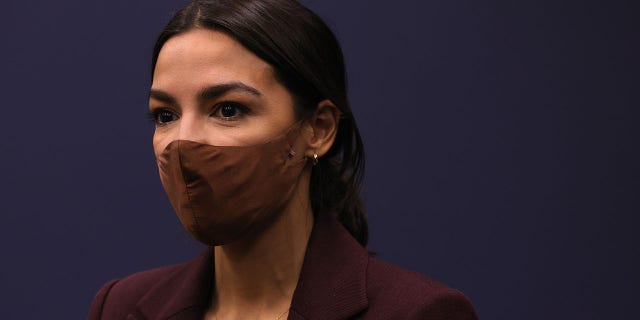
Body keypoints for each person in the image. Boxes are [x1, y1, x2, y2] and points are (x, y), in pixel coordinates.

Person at [88, 0, 478, 319]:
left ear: (319, 129)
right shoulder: (121, 307)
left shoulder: (415, 312)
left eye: (228, 110)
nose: (183, 142)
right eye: (165, 115)